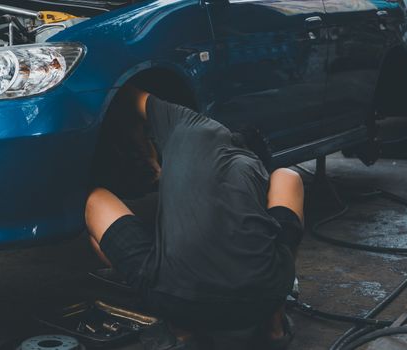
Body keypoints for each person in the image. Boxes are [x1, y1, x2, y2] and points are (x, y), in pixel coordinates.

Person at [85, 86, 304, 349]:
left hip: (176, 303)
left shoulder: (183, 120)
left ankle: (182, 333)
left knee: (95, 199)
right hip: (262, 300)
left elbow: (125, 92)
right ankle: (276, 329)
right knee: (288, 177)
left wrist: (146, 154)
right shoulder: (254, 167)